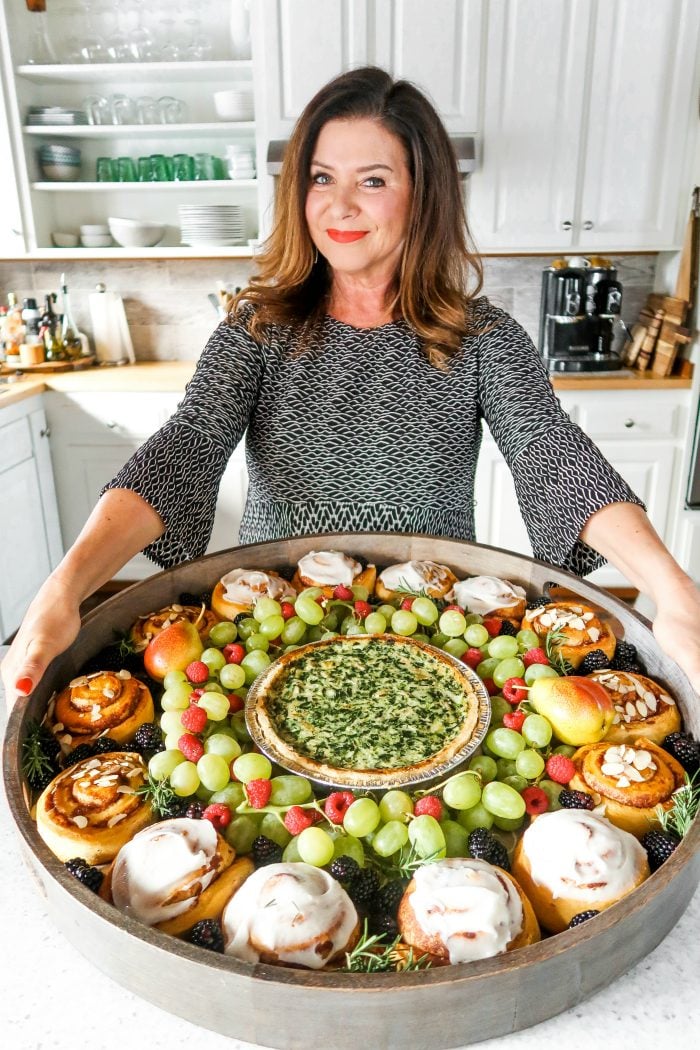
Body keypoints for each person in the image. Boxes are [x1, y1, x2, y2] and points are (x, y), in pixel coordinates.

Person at [3, 66, 700, 708]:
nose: (338, 206)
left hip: (433, 635)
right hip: (270, 629)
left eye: (372, 181)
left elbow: (552, 452)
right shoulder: (257, 331)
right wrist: (65, 587)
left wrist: (672, 591)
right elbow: (186, 445)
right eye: (319, 177)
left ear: (423, 193)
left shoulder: (482, 337)